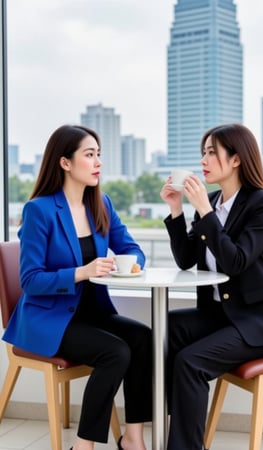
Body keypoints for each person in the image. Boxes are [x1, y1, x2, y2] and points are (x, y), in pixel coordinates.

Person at [3, 124, 152, 450]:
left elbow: (131, 248)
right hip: (49, 319)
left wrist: (132, 264)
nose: (98, 161)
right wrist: (80, 272)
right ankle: (83, 446)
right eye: (89, 154)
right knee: (116, 352)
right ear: (65, 162)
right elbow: (30, 280)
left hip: (90, 314)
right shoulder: (39, 211)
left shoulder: (102, 204)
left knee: (143, 337)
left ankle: (133, 437)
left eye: (99, 154)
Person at [160, 123, 263, 450]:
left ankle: (184, 446)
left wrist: (205, 211)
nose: (204, 160)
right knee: (164, 331)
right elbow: (186, 259)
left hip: (260, 320)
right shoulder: (210, 201)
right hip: (223, 314)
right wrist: (177, 210)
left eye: (212, 152)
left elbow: (235, 261)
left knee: (189, 362)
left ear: (236, 159)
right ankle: (180, 426)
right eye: (203, 152)